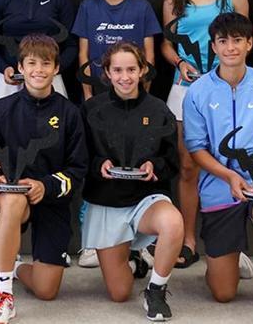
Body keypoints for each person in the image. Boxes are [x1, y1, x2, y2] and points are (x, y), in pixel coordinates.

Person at [0, 0, 78, 270]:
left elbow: (74, 44)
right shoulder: (2, 0)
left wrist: (53, 69)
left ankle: (57, 240)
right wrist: (5, 69)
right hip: (7, 80)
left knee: (58, 150)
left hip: (51, 79)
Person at [183, 12, 253, 315]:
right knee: (222, 294)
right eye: (223, 41)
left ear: (249, 44)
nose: (230, 47)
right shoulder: (197, 92)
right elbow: (196, 148)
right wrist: (228, 176)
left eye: (237, 40)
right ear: (214, 46)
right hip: (219, 186)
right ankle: (230, 256)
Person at [0, 35, 88, 324]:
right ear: (21, 67)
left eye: (46, 63)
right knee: (11, 200)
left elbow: (78, 168)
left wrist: (45, 185)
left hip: (50, 199)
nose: (38, 70)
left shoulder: (70, 113)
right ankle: (3, 294)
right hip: (14, 196)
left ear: (56, 68)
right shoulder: (1, 109)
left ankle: (9, 264)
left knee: (47, 290)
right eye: (31, 63)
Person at [159, 0, 249, 271]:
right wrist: (181, 63)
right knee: (187, 166)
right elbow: (167, 43)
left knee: (232, 161)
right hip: (185, 88)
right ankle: (188, 239)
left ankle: (230, 244)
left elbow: (242, 40)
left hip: (226, 88)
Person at [72, 0, 162, 267]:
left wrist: (141, 101)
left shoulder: (140, 9)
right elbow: (83, 58)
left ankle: (140, 240)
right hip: (98, 104)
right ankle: (90, 241)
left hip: (133, 102)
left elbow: (149, 59)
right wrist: (87, 99)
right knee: (95, 164)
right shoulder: (88, 7)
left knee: (135, 162)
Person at [81, 42, 183, 321]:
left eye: (131, 69)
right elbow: (78, 156)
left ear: (142, 71)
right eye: (117, 70)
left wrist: (155, 166)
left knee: (173, 222)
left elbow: (171, 160)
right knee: (119, 293)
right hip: (106, 200)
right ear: (107, 73)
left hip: (146, 199)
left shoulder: (159, 109)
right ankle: (135, 258)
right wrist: (97, 164)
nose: (124, 76)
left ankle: (156, 290)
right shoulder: (91, 109)